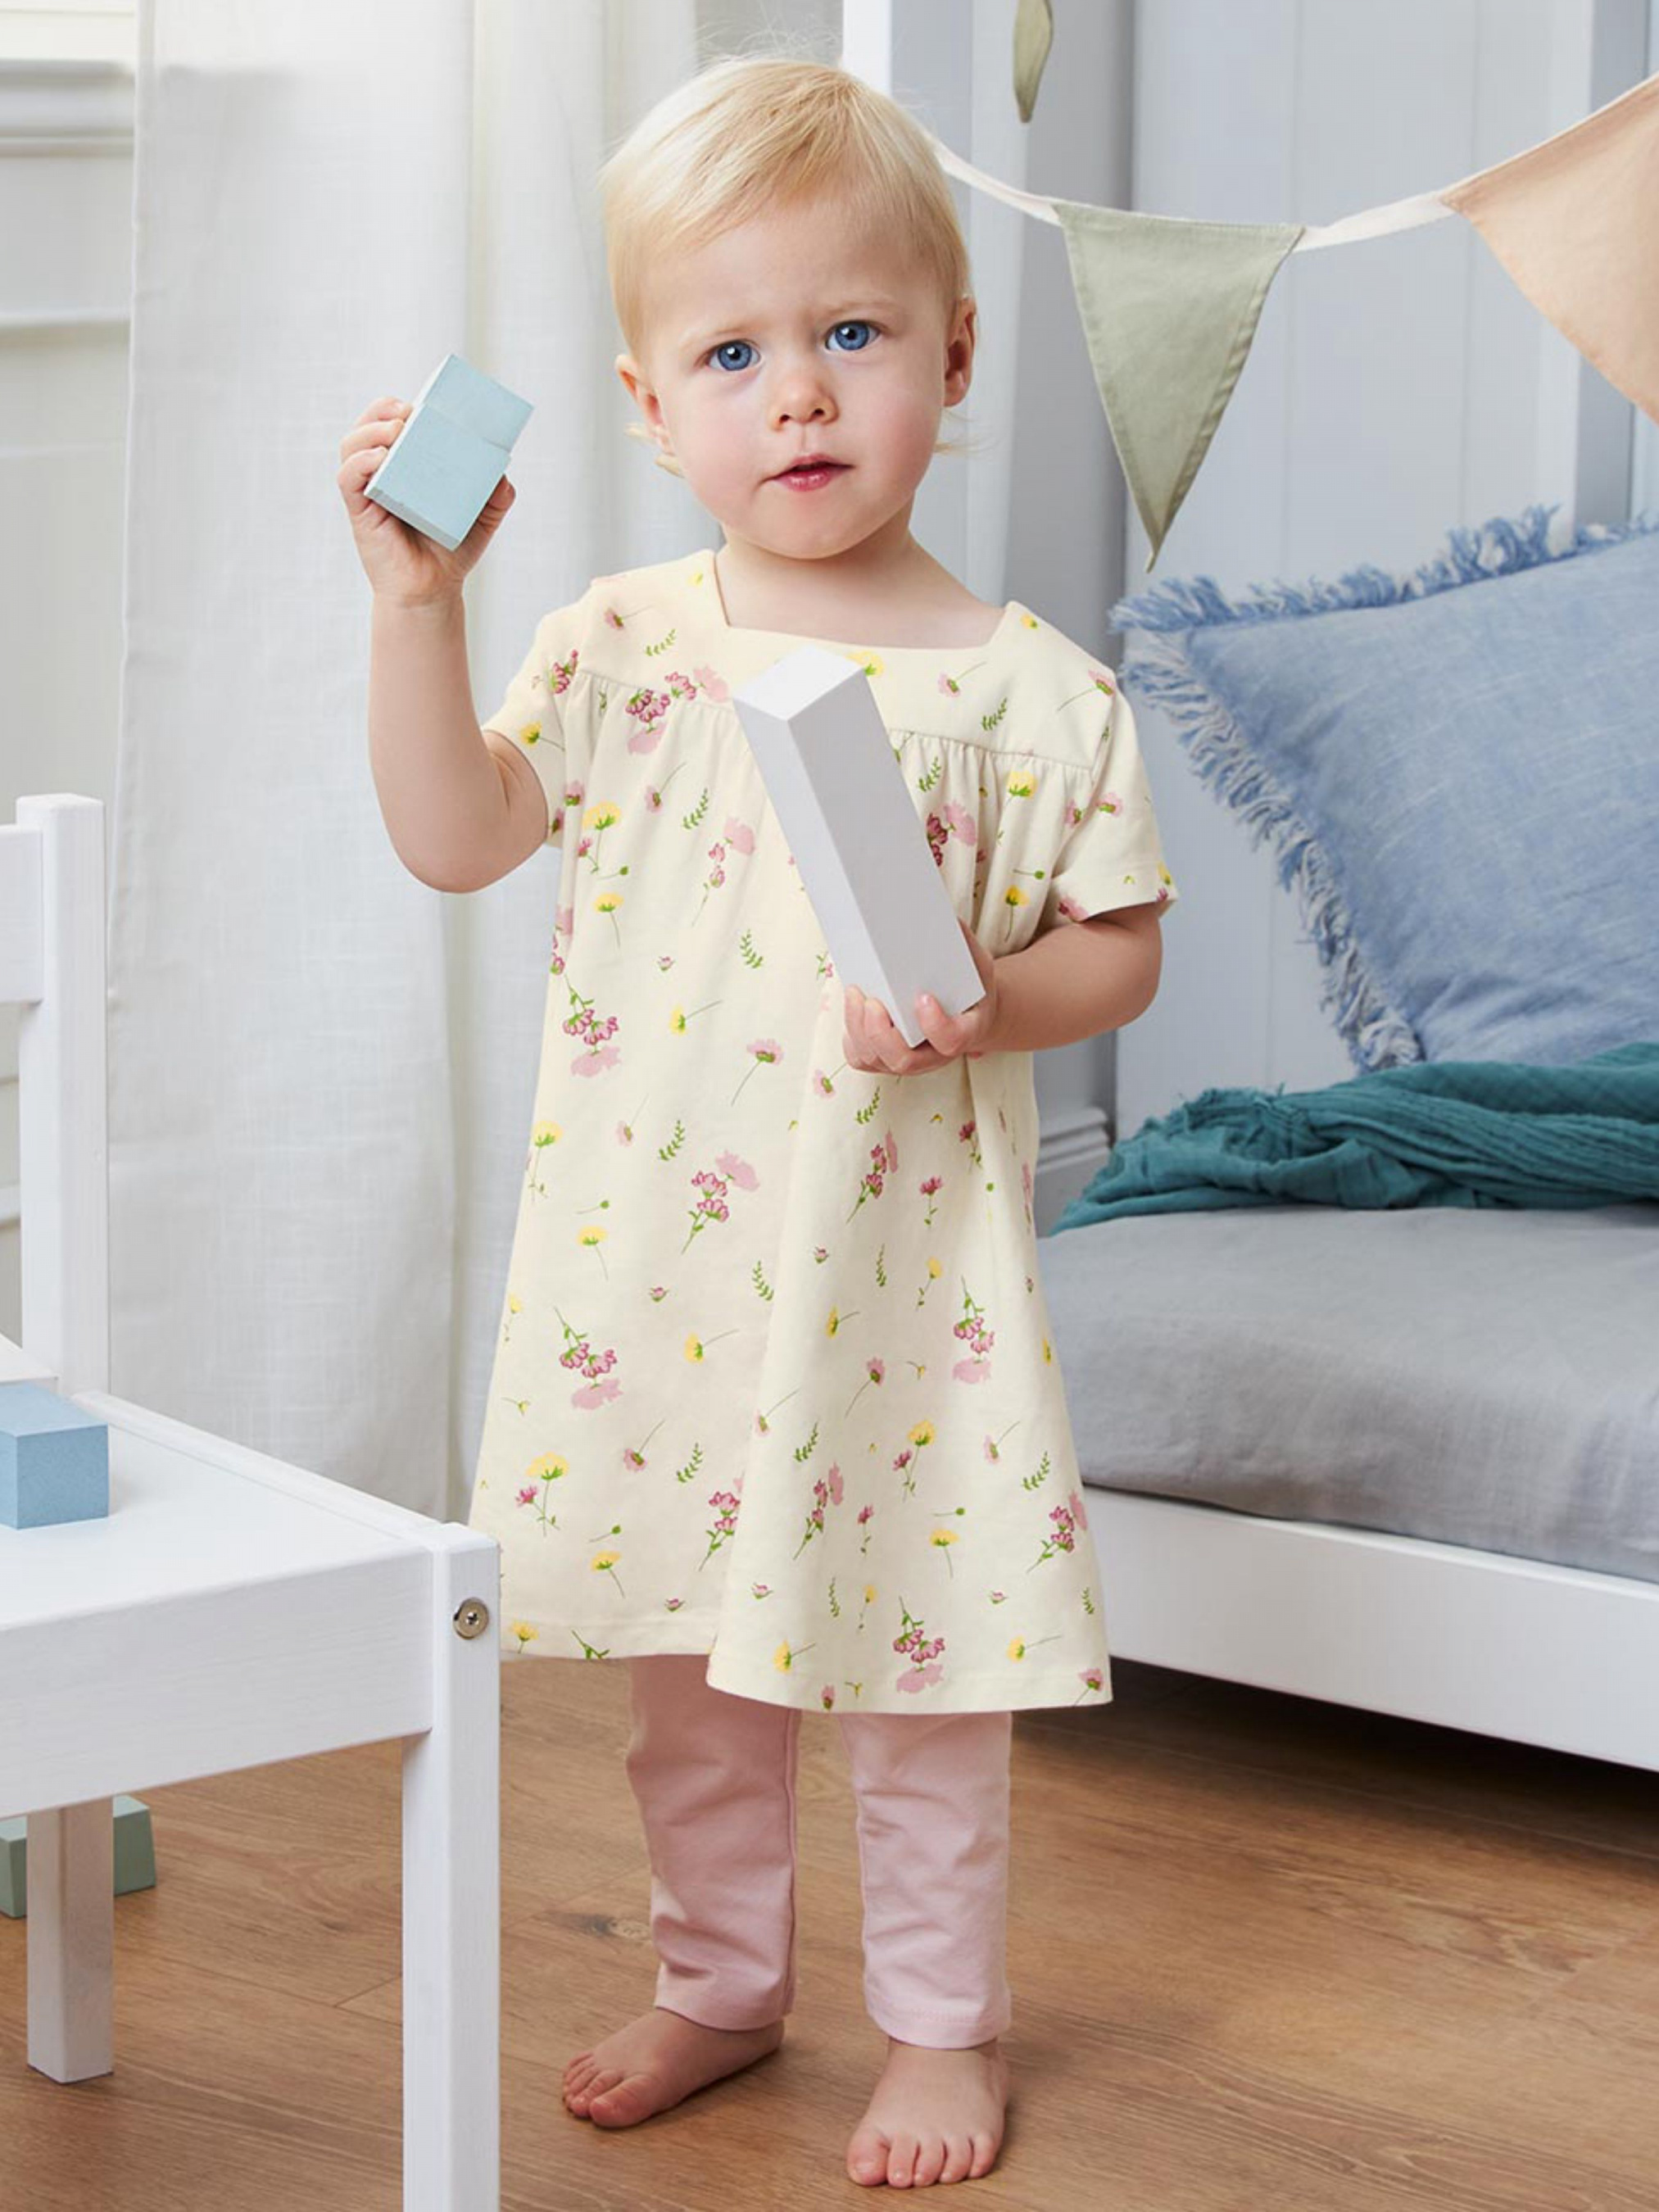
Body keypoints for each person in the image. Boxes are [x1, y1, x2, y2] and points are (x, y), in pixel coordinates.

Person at [338, 49, 1179, 2192]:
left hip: (905, 1289)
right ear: (646, 406)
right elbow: (453, 835)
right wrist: (417, 615)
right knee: (686, 1681)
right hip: (664, 1275)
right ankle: (720, 1980)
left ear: (953, 355)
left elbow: (1119, 951)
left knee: (920, 1678)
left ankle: (944, 2027)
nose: (796, 395)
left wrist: (984, 997)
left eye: (851, 334)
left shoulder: (1031, 687)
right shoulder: (621, 646)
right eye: (731, 354)